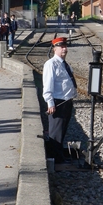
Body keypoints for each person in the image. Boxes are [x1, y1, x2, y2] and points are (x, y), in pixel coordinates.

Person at [42, 36, 78, 168]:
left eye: (65, 46)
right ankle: (56, 159)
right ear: (54, 49)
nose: (64, 49)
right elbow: (47, 85)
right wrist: (50, 102)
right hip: (58, 102)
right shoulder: (51, 64)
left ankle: (59, 156)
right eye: (61, 47)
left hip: (66, 101)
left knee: (62, 130)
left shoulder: (64, 64)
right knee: (56, 132)